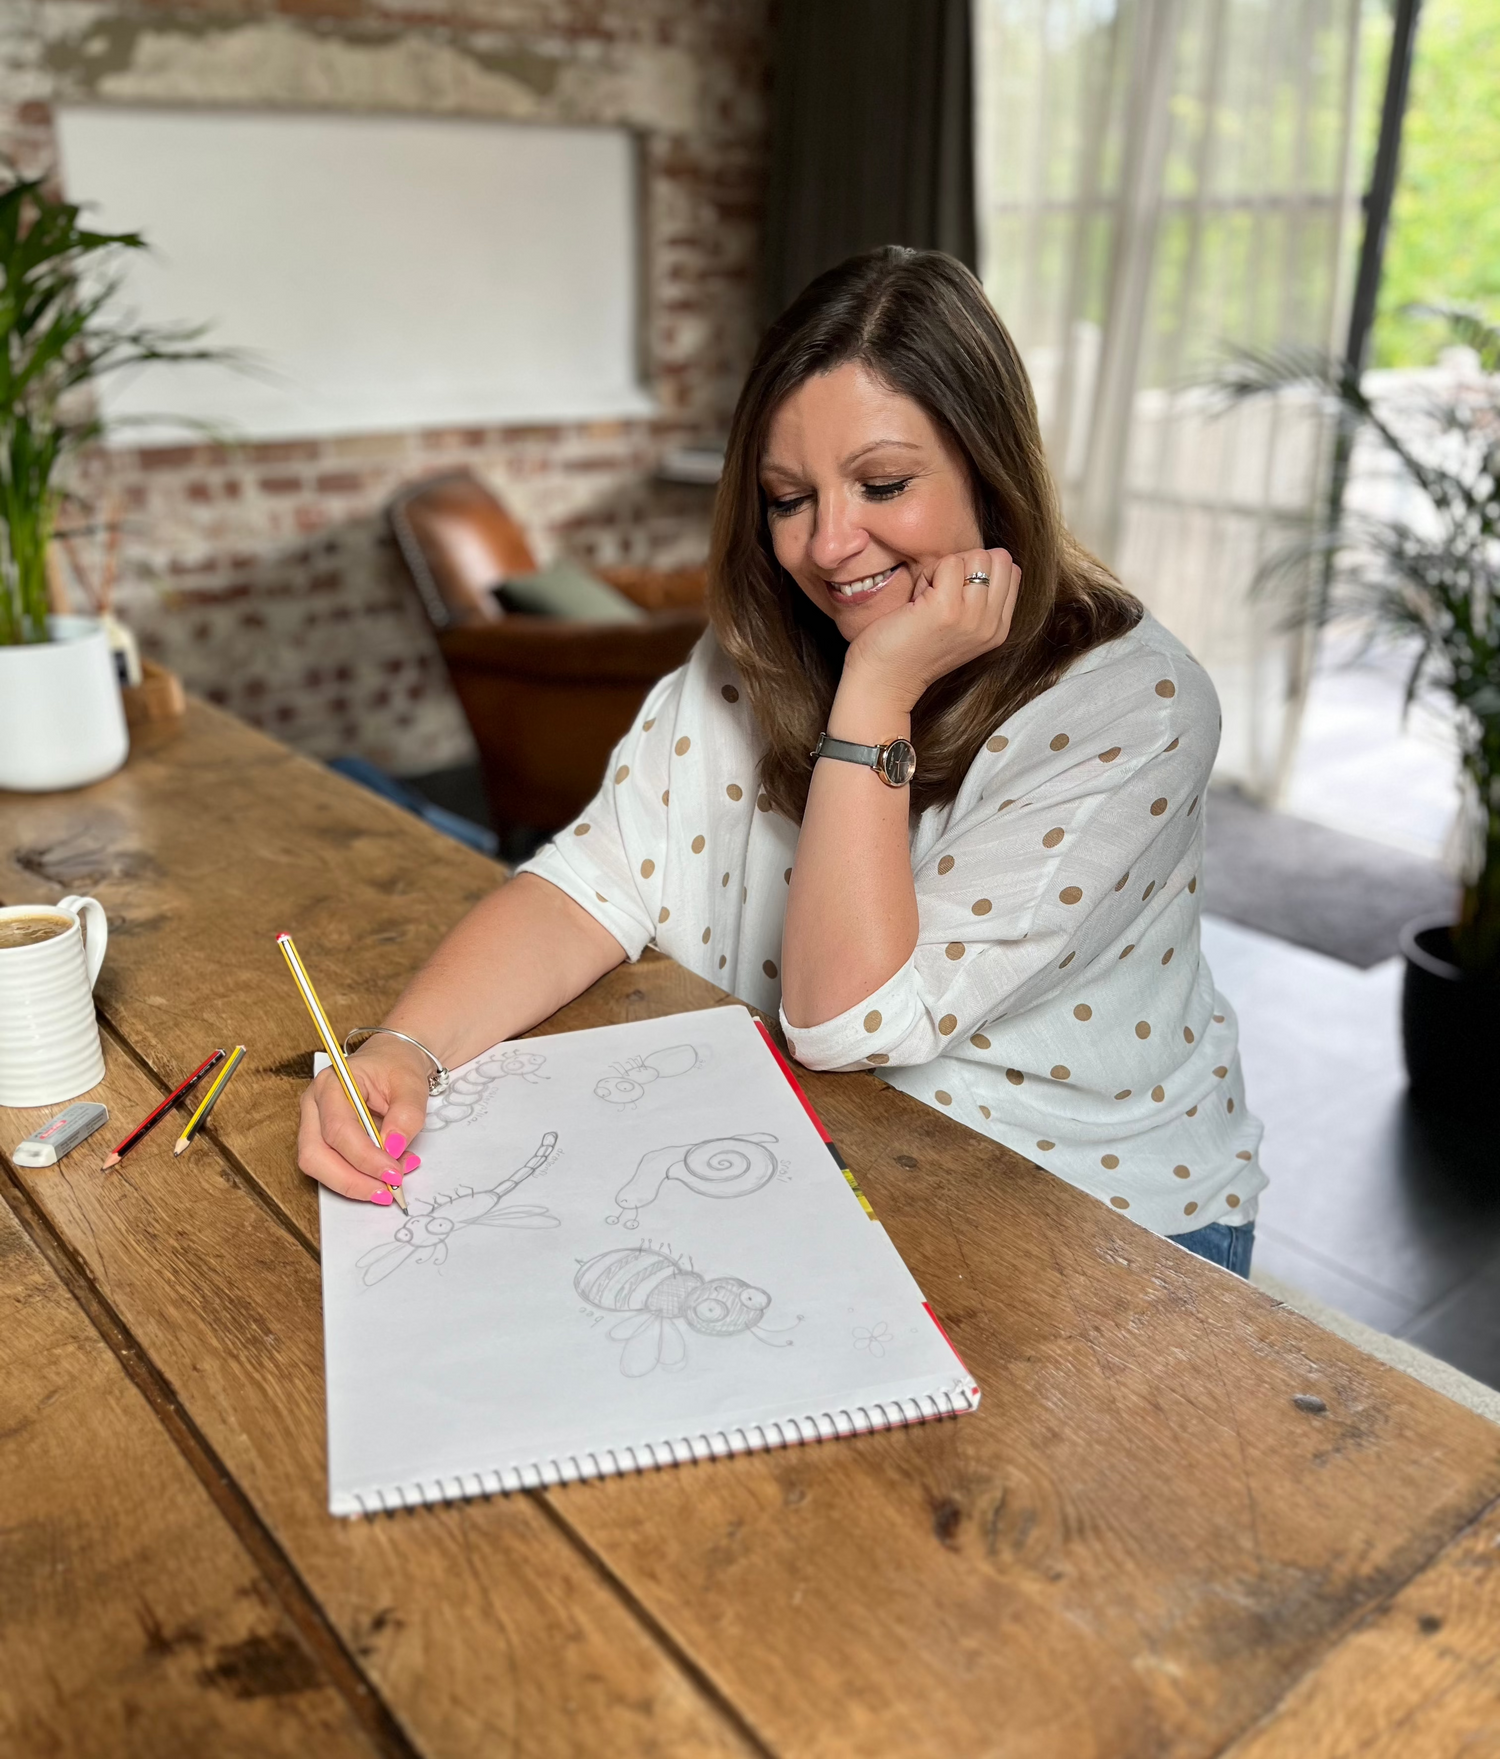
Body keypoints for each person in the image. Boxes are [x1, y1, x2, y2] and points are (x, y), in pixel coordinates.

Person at [299, 246, 1264, 1277]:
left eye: (882, 484)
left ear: (991, 469)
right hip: (819, 1165)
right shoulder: (759, 647)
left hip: (1095, 1224)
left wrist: (876, 691)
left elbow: (849, 1019)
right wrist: (408, 1049)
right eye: (788, 497)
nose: (829, 545)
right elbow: (591, 883)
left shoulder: (1140, 707)